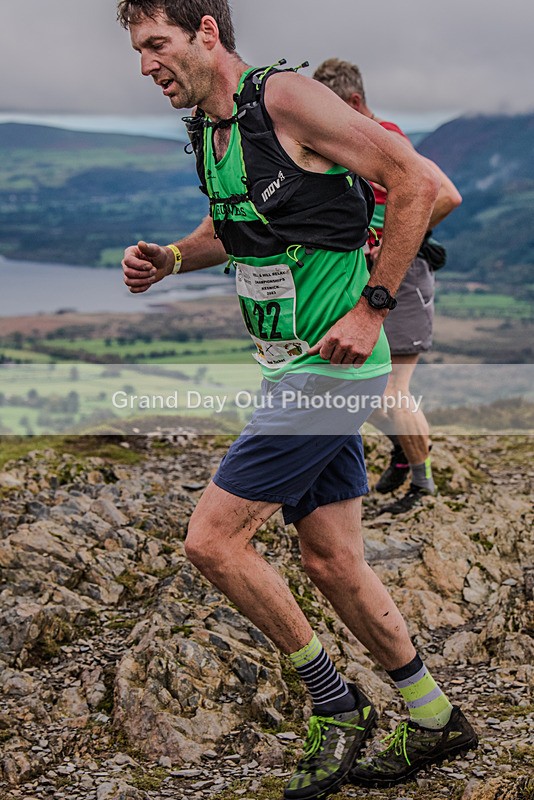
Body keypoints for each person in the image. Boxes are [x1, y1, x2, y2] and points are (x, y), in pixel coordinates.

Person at [117, 3, 477, 797]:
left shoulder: (285, 98)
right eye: (137, 51)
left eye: (157, 44)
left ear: (206, 31)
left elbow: (423, 182)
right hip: (289, 371)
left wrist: (370, 304)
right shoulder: (214, 131)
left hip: (331, 377)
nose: (146, 65)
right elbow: (238, 228)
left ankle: (336, 706)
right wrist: (171, 258)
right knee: (333, 561)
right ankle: (433, 718)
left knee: (211, 543)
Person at [314, 58, 462, 515]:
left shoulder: (391, 138)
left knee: (392, 390)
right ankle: (404, 455)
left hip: (403, 275)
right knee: (356, 386)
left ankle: (422, 487)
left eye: (334, 111)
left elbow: (448, 195)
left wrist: (399, 242)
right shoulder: (363, 142)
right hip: (372, 275)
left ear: (354, 102)